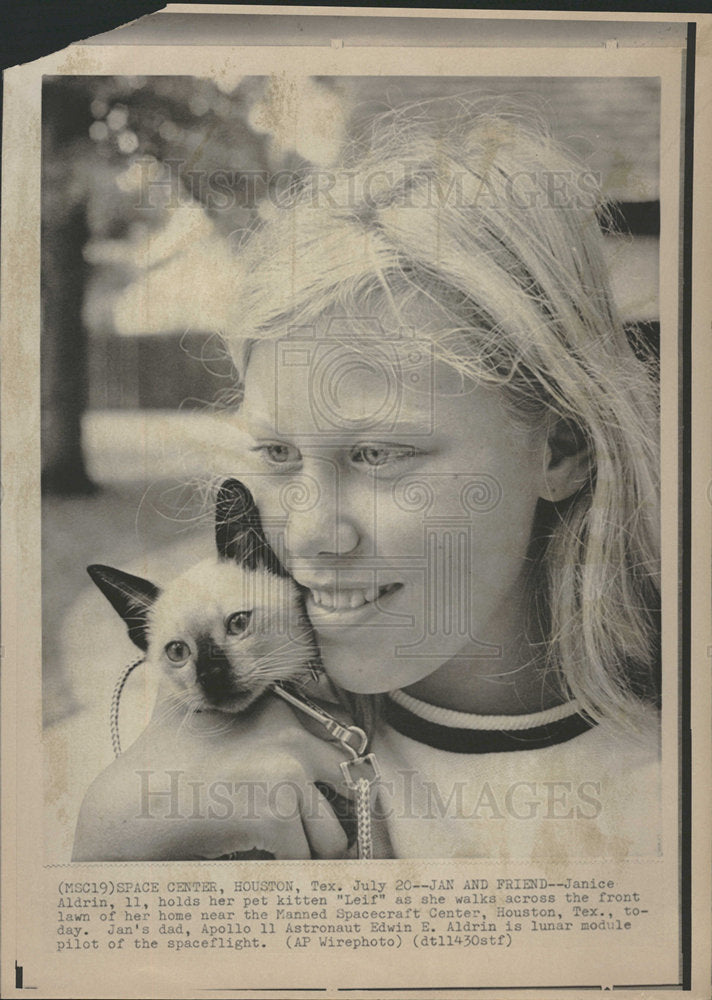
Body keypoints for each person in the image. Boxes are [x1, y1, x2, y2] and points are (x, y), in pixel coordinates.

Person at [73, 102, 661, 861]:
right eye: (280, 455)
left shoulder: (673, 790)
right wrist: (110, 841)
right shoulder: (171, 767)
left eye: (380, 454)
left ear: (562, 449)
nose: (312, 533)